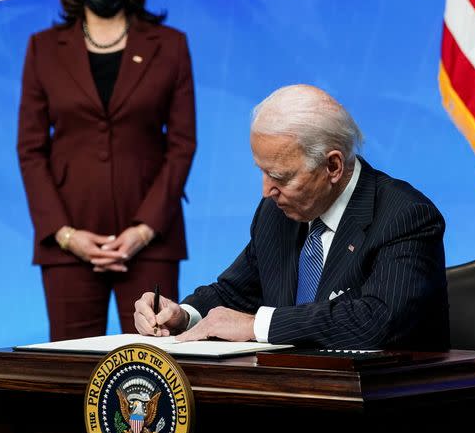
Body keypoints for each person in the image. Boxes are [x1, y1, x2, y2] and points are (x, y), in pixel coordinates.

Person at [134, 85, 448, 350]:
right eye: (262, 172)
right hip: (291, 399)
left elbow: (378, 321)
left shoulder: (405, 216)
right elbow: (233, 294)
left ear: (333, 167)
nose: (267, 191)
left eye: (280, 177)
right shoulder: (276, 213)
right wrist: (183, 316)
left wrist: (256, 325)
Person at [17, 0, 196, 341]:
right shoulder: (43, 48)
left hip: (152, 239)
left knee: (156, 367)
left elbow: (182, 143)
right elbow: (30, 149)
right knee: (71, 373)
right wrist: (64, 234)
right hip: (68, 242)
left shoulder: (170, 46)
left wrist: (144, 230)